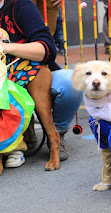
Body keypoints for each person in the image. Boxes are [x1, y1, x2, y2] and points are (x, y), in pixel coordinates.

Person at [0, 0, 83, 164]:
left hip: (29, 68)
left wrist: (6, 47)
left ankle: (56, 135)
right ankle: (20, 136)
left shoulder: (21, 5)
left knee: (69, 82)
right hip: (5, 76)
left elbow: (47, 49)